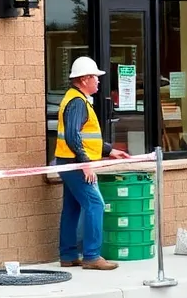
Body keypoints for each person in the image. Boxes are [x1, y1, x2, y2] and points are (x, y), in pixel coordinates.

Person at [54, 56, 131, 269]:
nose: (98, 81)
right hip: (76, 164)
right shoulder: (77, 102)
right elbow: (72, 135)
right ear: (85, 79)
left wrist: (109, 150)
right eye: (95, 77)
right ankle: (92, 256)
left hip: (68, 163)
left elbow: (87, 137)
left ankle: (68, 255)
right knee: (95, 204)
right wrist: (85, 163)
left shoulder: (75, 98)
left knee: (71, 208)